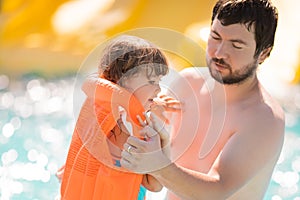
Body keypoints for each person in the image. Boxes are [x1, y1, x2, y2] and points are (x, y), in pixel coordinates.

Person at [120, 0, 285, 199]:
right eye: (215, 37)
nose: (219, 52)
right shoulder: (188, 84)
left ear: (263, 54)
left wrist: (158, 166)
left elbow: (217, 191)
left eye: (236, 45)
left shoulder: (264, 119)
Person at [59, 35, 172, 200]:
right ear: (123, 80)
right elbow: (155, 184)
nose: (158, 90)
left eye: (159, 82)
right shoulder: (131, 125)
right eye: (152, 81)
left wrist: (163, 136)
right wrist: (161, 137)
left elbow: (154, 184)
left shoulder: (103, 116)